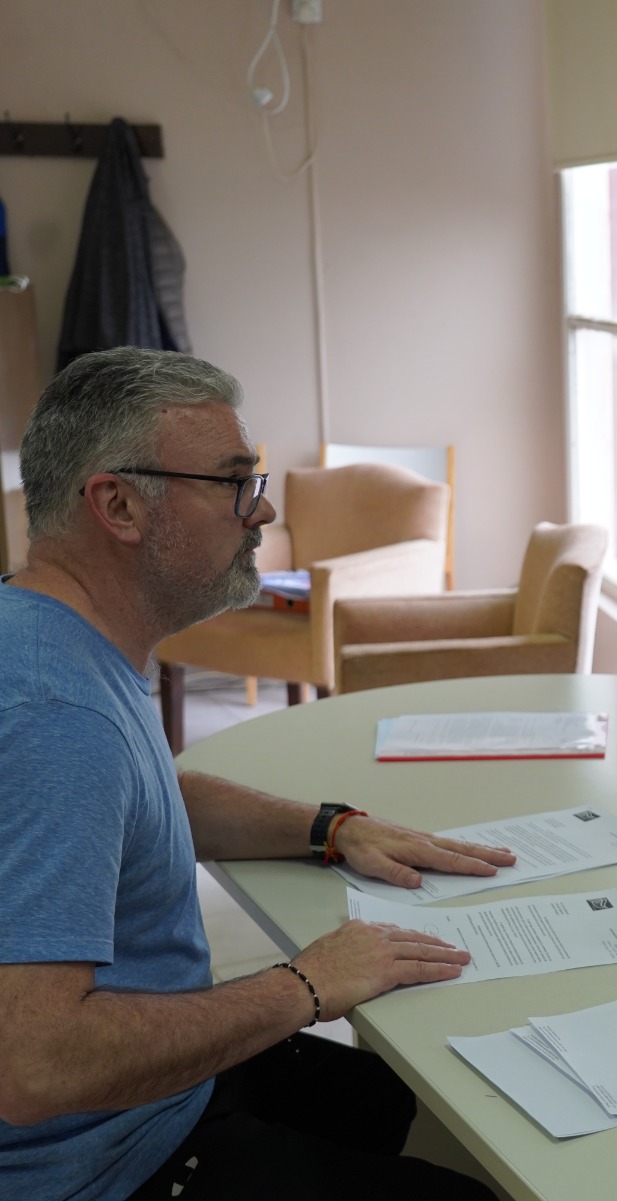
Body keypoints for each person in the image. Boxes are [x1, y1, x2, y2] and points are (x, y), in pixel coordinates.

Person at [0, 348, 518, 1200]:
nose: (264, 508)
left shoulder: (44, 630)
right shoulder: (58, 717)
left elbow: (141, 799)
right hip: (106, 1163)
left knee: (405, 1093)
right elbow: (34, 1065)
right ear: (118, 505)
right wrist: (305, 984)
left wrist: (331, 828)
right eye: (235, 481)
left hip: (153, 1102)